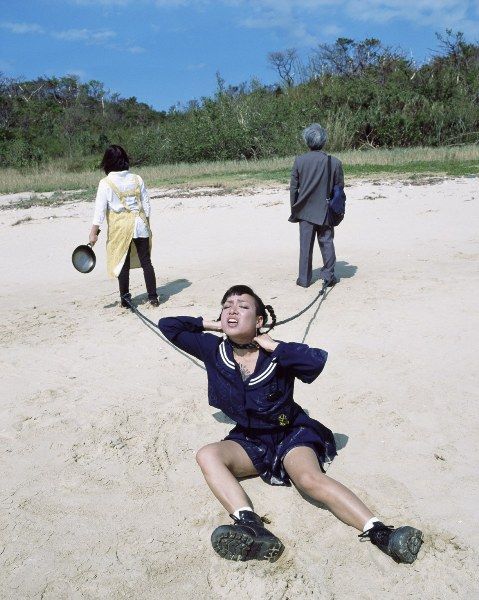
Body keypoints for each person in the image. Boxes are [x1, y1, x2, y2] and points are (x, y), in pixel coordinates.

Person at [158, 285, 423, 564]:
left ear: (259, 320)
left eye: (243, 306)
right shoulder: (213, 349)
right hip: (250, 439)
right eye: (227, 306)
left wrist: (273, 345)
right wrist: (212, 324)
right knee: (207, 455)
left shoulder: (278, 354)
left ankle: (381, 533)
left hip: (291, 434)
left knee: (308, 480)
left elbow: (314, 362)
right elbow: (169, 326)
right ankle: (250, 525)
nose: (232, 310)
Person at [89, 145, 159, 307]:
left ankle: (126, 300)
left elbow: (100, 211)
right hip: (141, 224)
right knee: (146, 262)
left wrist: (93, 233)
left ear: (107, 162)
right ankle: (153, 297)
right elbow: (146, 205)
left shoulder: (105, 183)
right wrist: (146, 224)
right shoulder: (137, 178)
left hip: (120, 228)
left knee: (122, 263)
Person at [289, 123, 344, 288]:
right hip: (325, 210)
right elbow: (339, 189)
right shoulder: (335, 162)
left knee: (305, 246)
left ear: (307, 141)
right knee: (327, 242)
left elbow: (293, 189)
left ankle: (304, 279)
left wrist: (295, 208)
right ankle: (328, 277)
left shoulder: (299, 161)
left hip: (304, 210)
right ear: (324, 141)